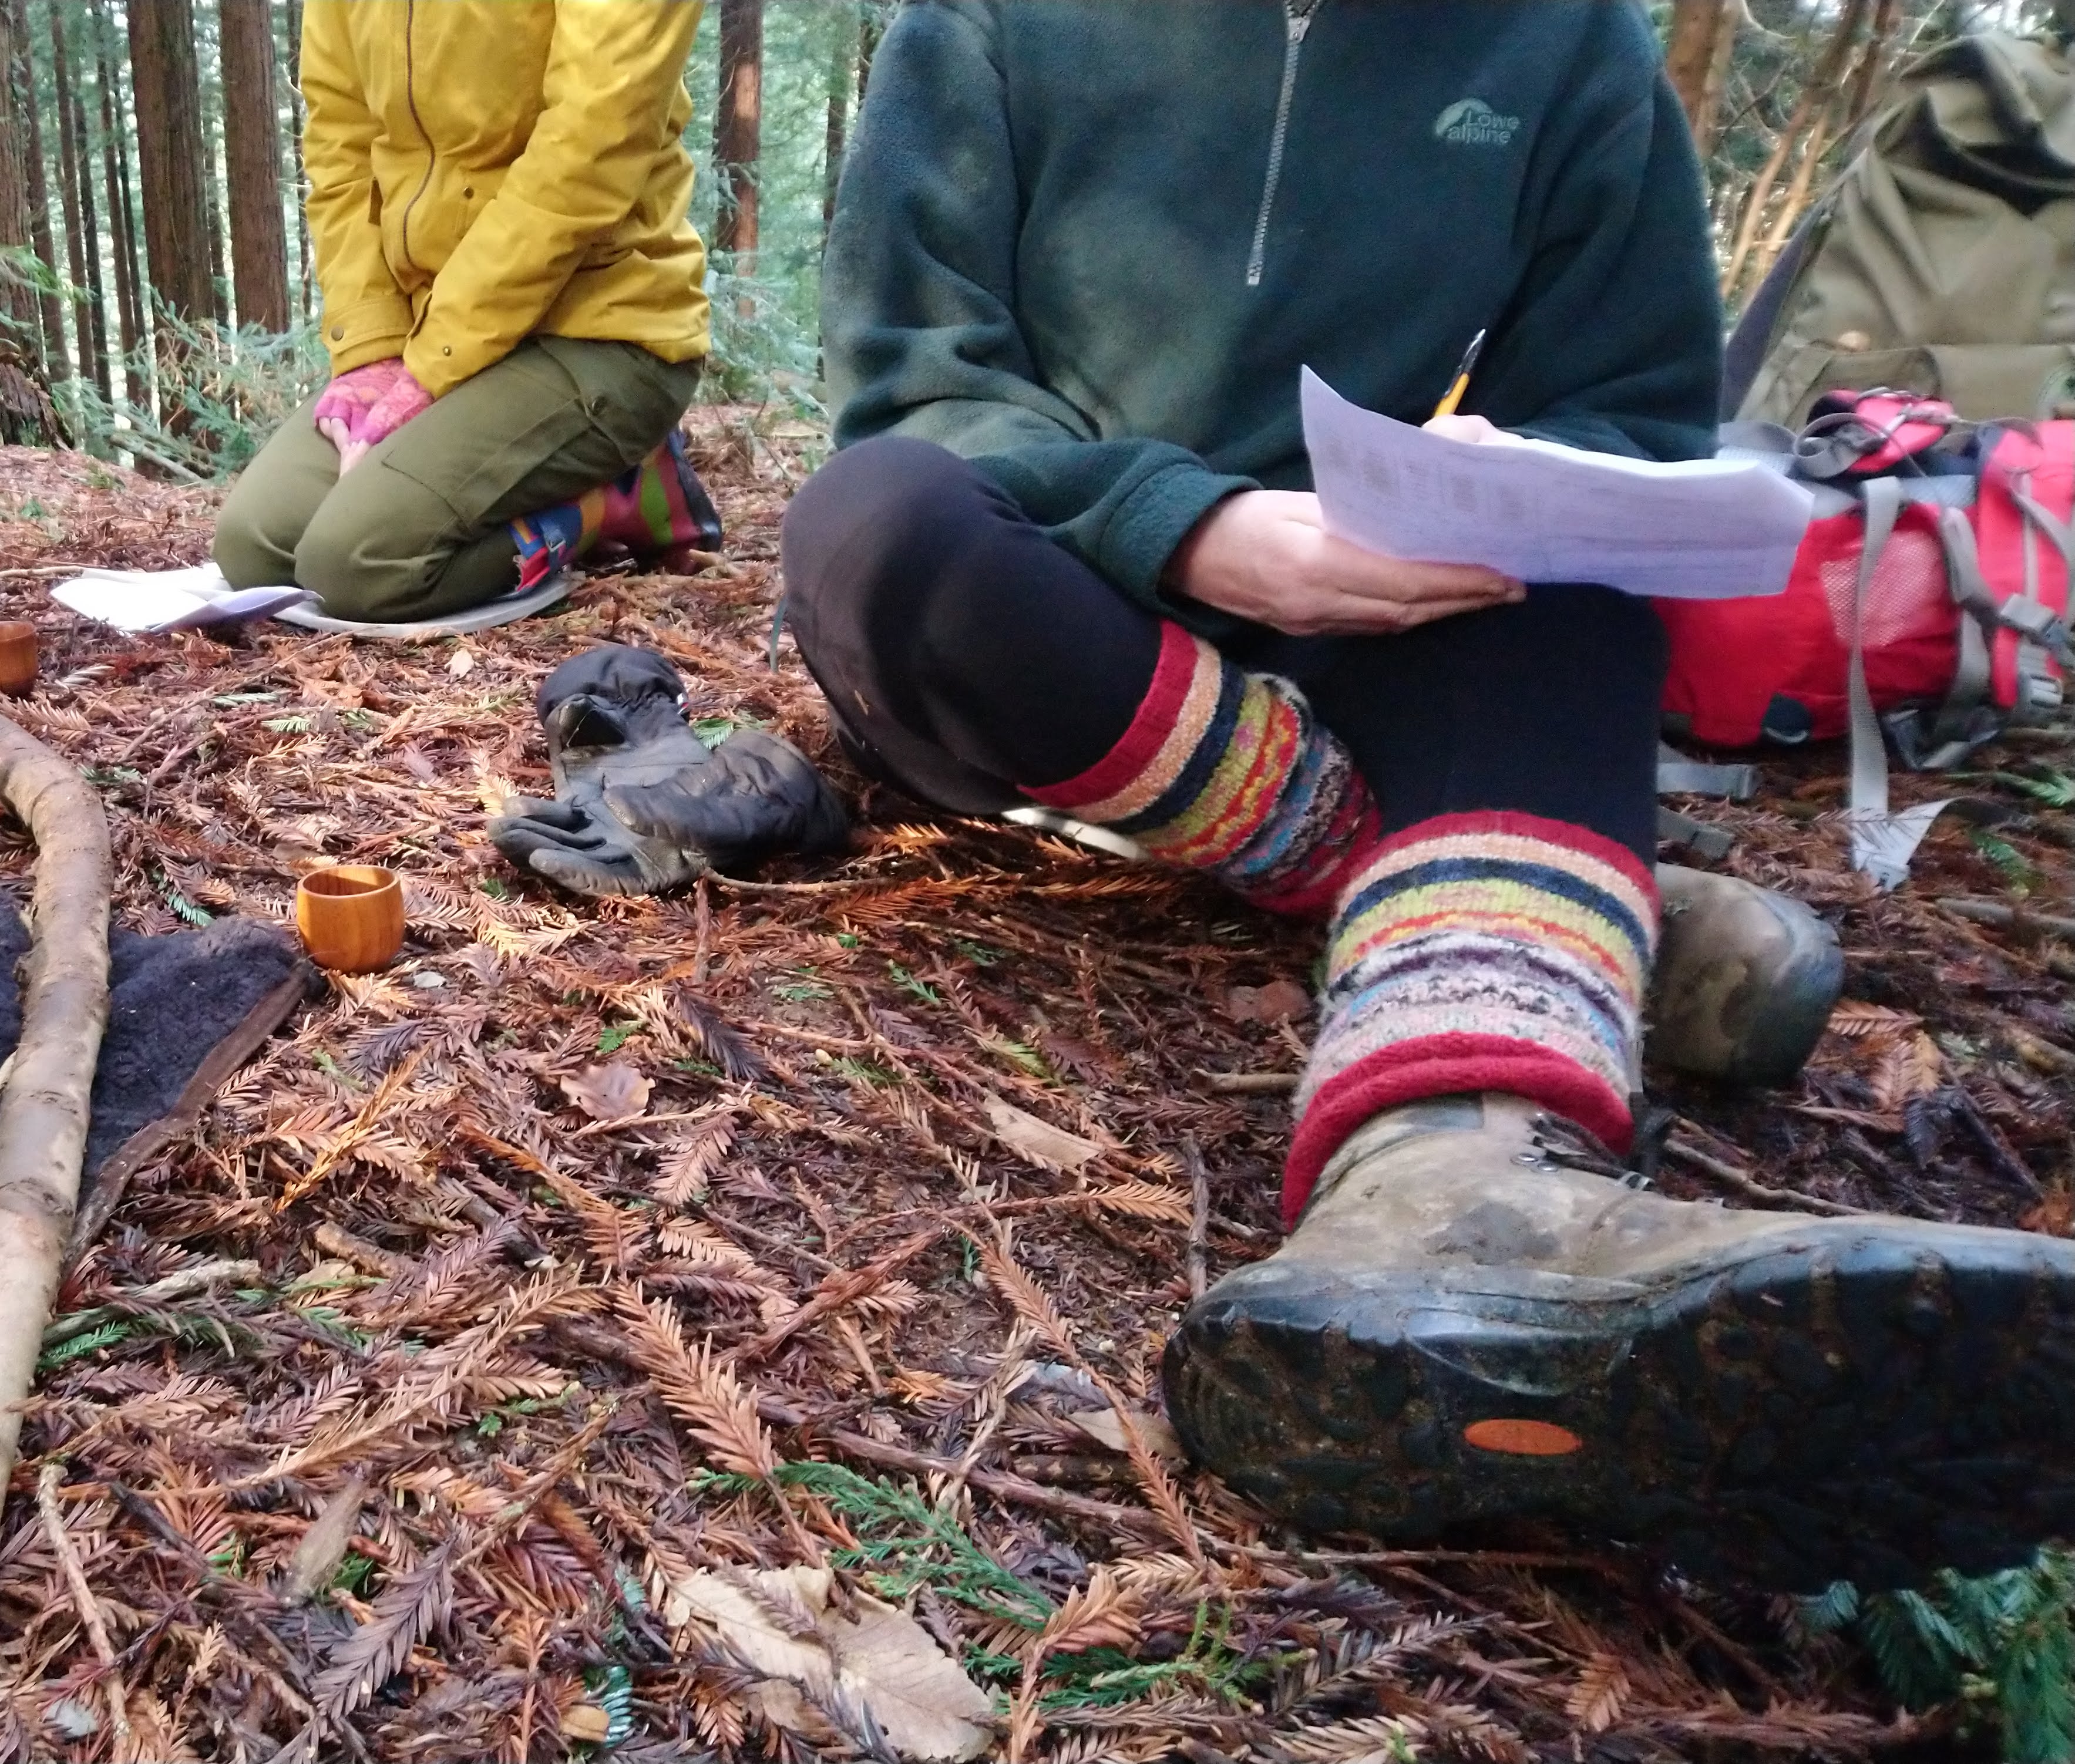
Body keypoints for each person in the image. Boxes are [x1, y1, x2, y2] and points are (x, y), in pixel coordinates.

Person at [788, 0, 2075, 1592]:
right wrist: (1191, 525)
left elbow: (1627, 419)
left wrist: (1470, 497)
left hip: (1376, 618)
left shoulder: (1567, 50)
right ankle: (1482, 895)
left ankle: (1452, 1190)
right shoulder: (982, 26)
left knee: (1578, 579)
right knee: (873, 523)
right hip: (1059, 613)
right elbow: (917, 382)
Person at [210, 1, 709, 628]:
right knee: (257, 547)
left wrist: (436, 361)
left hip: (603, 328)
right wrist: (374, 350)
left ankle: (613, 499)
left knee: (362, 565)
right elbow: (341, 146)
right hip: (436, 337)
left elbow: (593, 144)